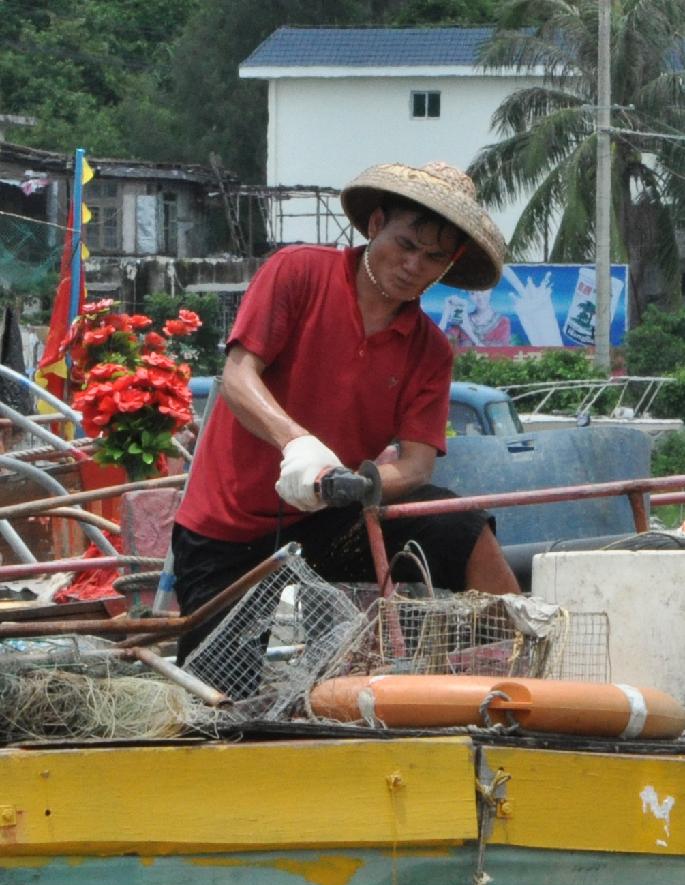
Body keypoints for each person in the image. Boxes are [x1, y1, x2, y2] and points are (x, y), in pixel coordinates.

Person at [172, 161, 520, 674]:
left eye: (434, 258)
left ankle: (522, 653)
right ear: (377, 223)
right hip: (227, 526)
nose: (414, 266)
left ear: (449, 265)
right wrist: (298, 446)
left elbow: (418, 465)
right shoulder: (299, 272)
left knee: (455, 521)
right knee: (220, 688)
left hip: (329, 518)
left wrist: (357, 484)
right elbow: (239, 378)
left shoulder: (429, 350)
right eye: (406, 244)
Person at [440, 289, 511, 348]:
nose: (480, 298)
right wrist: (445, 315)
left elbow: (502, 349)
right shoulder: (462, 319)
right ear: (469, 296)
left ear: (490, 290)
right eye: (473, 293)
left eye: (483, 291)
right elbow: (445, 342)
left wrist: (468, 343)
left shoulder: (502, 321)